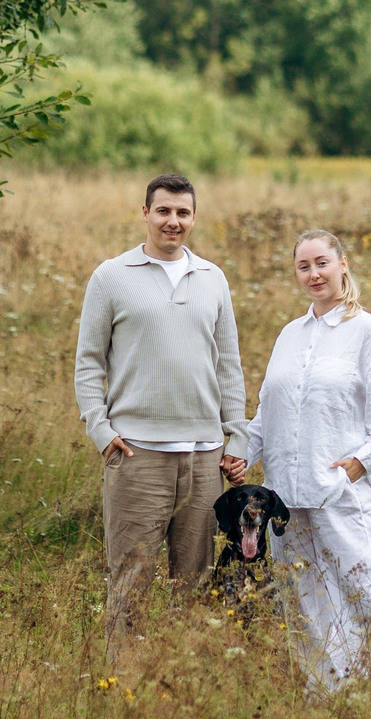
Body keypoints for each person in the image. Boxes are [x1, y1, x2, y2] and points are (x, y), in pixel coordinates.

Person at [73, 173, 248, 663]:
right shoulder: (111, 276)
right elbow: (89, 362)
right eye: (165, 211)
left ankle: (181, 684)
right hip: (137, 457)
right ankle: (122, 685)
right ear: (145, 213)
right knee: (131, 581)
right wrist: (101, 431)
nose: (174, 222)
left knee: (194, 583)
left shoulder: (212, 278)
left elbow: (228, 365)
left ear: (193, 217)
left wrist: (237, 439)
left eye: (184, 213)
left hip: (204, 457)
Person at [248, 228, 371, 699]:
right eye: (304, 266)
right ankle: (329, 696)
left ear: (342, 263)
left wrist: (355, 468)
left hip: (339, 493)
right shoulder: (289, 335)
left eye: (321, 263)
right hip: (284, 497)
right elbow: (268, 411)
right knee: (303, 598)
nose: (314, 274)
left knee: (365, 592)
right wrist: (240, 457)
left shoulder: (369, 331)